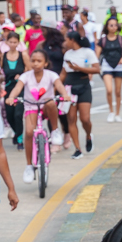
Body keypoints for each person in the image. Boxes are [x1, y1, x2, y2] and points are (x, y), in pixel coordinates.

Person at [5, 49, 72, 184]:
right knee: (29, 132)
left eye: (39, 61)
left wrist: (64, 94)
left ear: (46, 63)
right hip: (31, 106)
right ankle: (29, 165)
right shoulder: (26, 76)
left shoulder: (51, 75)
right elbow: (18, 88)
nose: (35, 64)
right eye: (33, 61)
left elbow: (58, 84)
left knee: (51, 102)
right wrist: (11, 97)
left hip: (47, 107)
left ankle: (54, 131)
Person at [61, 31, 100, 159]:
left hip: (83, 85)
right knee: (71, 119)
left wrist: (79, 68)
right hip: (69, 88)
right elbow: (63, 74)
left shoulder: (87, 52)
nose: (65, 43)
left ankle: (88, 136)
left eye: (66, 40)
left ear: (73, 40)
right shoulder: (67, 54)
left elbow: (96, 69)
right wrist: (55, 87)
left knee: (85, 119)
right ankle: (78, 149)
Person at [98, 17, 122, 122]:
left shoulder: (121, 39)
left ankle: (117, 114)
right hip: (107, 65)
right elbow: (96, 54)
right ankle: (111, 112)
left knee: (118, 91)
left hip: (119, 66)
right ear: (107, 27)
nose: (113, 27)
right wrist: (95, 65)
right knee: (109, 90)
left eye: (115, 25)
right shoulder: (102, 40)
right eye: (111, 25)